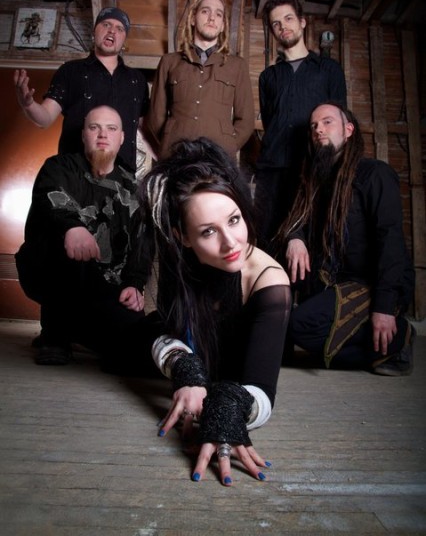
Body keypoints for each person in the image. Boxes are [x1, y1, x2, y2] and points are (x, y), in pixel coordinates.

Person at [139, 137, 291, 486]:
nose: (231, 242)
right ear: (183, 237)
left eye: (234, 220)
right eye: (208, 231)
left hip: (231, 381)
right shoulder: (181, 262)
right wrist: (185, 369)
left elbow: (263, 393)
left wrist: (228, 408)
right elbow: (160, 328)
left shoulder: (270, 282)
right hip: (180, 364)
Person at [275, 101, 416, 376]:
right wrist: (295, 238)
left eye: (327, 122)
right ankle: (376, 349)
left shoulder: (375, 174)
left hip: (371, 284)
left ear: (348, 130)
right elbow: (296, 219)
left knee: (299, 326)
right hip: (333, 280)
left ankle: (398, 339)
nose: (318, 130)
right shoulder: (315, 179)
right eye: (314, 126)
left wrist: (384, 308)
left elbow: (391, 243)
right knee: (284, 329)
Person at [15, 105, 155, 369]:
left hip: (105, 286)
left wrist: (134, 284)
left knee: (134, 347)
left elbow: (142, 242)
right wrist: (71, 227)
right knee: (64, 242)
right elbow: (48, 197)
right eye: (94, 127)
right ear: (83, 135)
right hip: (55, 273)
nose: (103, 134)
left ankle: (71, 329)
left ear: (122, 138)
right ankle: (55, 336)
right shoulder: (59, 167)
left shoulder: (133, 186)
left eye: (111, 129)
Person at [254, 0, 347, 251]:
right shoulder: (267, 77)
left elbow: (339, 120)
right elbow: (271, 121)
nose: (283, 26)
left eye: (288, 19)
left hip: (315, 168)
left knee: (313, 245)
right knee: (268, 242)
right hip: (272, 170)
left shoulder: (329, 69)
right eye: (276, 23)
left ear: (302, 22)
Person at [13, 7, 150, 174]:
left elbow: (146, 132)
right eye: (106, 24)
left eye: (119, 28)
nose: (112, 31)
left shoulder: (137, 80)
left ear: (124, 39)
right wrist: (28, 105)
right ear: (94, 31)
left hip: (122, 176)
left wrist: (167, 160)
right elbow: (45, 118)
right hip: (74, 174)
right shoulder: (70, 71)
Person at [143, 0, 254, 161]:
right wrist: (170, 141)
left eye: (218, 14)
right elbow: (155, 118)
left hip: (218, 160)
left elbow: (246, 121)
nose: (212, 18)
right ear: (193, 19)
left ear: (223, 26)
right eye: (205, 11)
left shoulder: (237, 66)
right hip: (175, 157)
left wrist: (227, 147)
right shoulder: (169, 62)